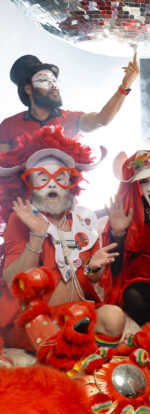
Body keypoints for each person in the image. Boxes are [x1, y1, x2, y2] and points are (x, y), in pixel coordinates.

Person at [0, 127, 127, 348]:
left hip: (78, 311)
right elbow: (13, 281)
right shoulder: (21, 218)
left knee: (114, 317)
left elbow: (91, 279)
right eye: (43, 178)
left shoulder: (82, 220)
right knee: (60, 337)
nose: (52, 184)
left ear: (70, 182)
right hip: (35, 318)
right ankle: (76, 350)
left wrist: (93, 267)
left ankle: (83, 348)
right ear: (31, 184)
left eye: (59, 178)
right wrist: (36, 235)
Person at [0, 53, 140, 151]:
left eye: (54, 80)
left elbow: (101, 120)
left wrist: (125, 86)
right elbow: (4, 171)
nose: (53, 85)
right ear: (28, 89)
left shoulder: (70, 118)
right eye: (44, 80)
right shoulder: (8, 126)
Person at [106, 148, 150, 326]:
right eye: (144, 181)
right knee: (131, 296)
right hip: (141, 282)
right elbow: (115, 270)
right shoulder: (133, 211)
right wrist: (118, 233)